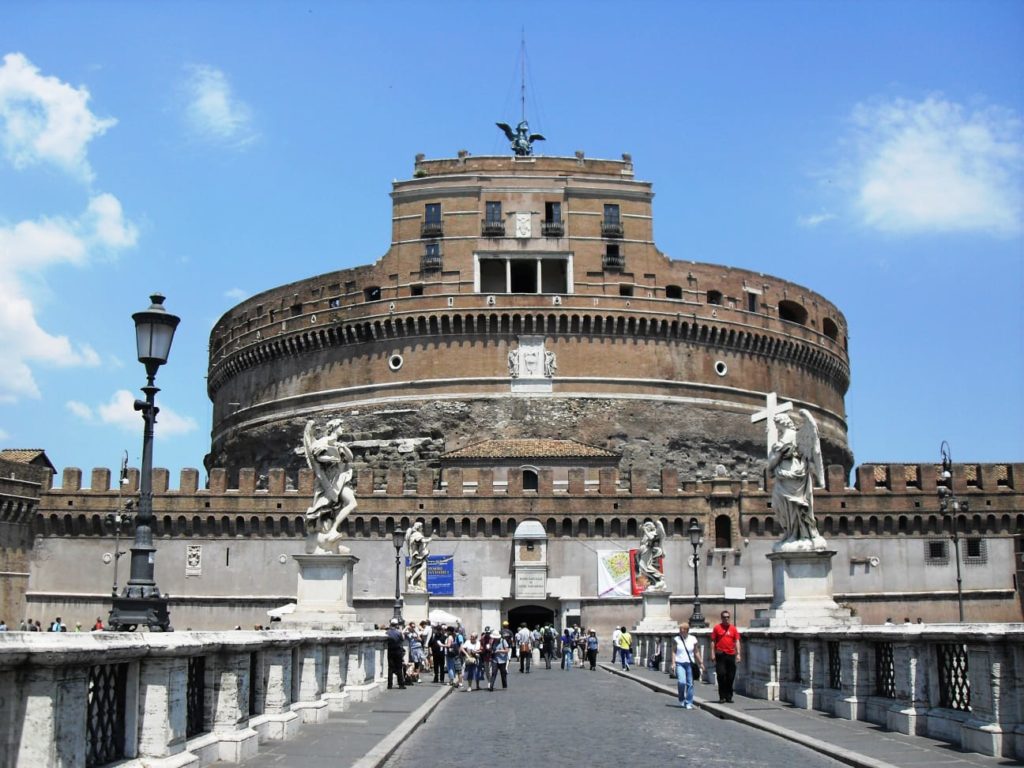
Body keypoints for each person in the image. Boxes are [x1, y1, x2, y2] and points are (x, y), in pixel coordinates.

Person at [297, 419, 357, 554]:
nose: (342, 429)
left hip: (341, 478)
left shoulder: (339, 444)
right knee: (325, 509)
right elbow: (315, 455)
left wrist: (342, 448)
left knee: (352, 503)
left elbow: (350, 458)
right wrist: (330, 458)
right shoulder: (323, 441)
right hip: (328, 481)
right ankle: (327, 532)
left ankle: (334, 528)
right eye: (341, 426)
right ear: (335, 427)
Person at [768, 411, 825, 549]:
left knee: (796, 506)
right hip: (785, 475)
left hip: (794, 474)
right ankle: (791, 532)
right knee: (779, 503)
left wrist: (771, 466)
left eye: (777, 425)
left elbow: (776, 458)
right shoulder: (785, 437)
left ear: (782, 422)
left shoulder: (793, 436)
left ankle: (800, 533)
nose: (776, 428)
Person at [710, 610, 741, 703]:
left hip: (731, 654)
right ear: (721, 618)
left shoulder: (733, 629)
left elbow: (737, 641)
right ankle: (722, 696)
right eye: (724, 617)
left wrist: (738, 654)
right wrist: (712, 653)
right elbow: (712, 641)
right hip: (720, 654)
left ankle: (729, 695)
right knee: (721, 675)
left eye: (728, 617)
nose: (726, 619)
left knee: (731, 676)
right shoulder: (717, 628)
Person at [674, 623, 703, 709]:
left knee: (690, 684)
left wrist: (701, 662)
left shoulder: (693, 639)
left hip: (690, 664)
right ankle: (681, 698)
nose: (680, 631)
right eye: (680, 630)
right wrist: (673, 663)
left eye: (682, 630)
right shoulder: (676, 639)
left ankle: (689, 702)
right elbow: (673, 651)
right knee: (681, 682)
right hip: (680, 663)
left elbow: (696, 651)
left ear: (686, 630)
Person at [404, 522, 432, 591]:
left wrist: (426, 543)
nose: (422, 528)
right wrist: (428, 540)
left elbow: (421, 546)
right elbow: (421, 540)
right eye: (421, 527)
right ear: (418, 527)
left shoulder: (416, 534)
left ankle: (415, 582)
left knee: (421, 568)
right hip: (416, 556)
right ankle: (412, 580)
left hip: (419, 556)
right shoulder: (416, 534)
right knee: (423, 567)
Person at [385, 618, 406, 690]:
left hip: (390, 651)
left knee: (390, 668)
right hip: (398, 651)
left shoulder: (387, 632)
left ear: (390, 624)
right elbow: (402, 639)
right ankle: (401, 684)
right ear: (397, 625)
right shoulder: (398, 633)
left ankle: (389, 685)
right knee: (399, 668)